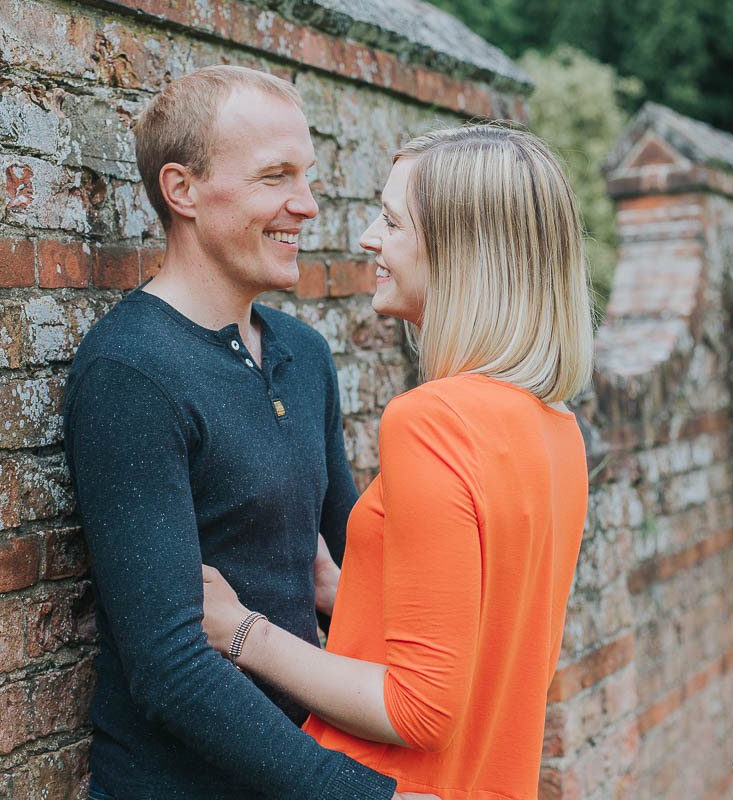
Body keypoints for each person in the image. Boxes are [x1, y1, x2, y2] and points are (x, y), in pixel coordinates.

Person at [63, 65, 433, 800]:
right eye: (275, 177)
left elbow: (347, 575)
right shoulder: (130, 373)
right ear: (183, 190)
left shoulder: (304, 355)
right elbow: (170, 663)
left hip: (304, 765)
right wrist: (363, 795)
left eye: (307, 175)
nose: (306, 204)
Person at [200, 124, 594, 799]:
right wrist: (347, 592)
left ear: (461, 253)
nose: (368, 239)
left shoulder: (432, 421)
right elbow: (485, 630)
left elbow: (420, 709)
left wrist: (240, 632)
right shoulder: (558, 431)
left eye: (391, 221)